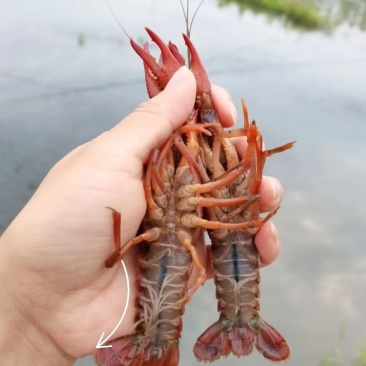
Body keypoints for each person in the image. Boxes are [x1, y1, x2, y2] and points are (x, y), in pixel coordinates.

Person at [0, 67, 284, 365]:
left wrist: (29, 323)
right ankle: (158, 337)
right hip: (187, 234)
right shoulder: (198, 166)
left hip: (180, 230)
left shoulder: (187, 167)